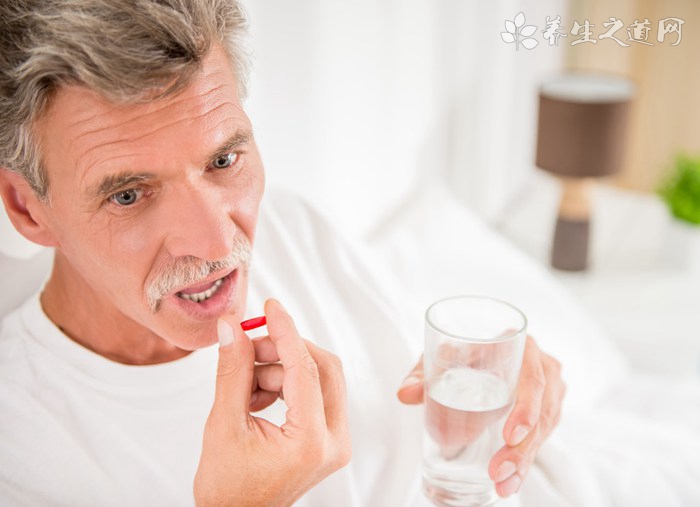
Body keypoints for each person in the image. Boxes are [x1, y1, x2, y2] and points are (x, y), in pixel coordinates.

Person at [0, 1, 565, 505]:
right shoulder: (20, 451)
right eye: (128, 195)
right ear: (28, 209)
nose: (220, 246)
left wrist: (503, 388)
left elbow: (433, 421)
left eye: (223, 161)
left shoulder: (295, 228)